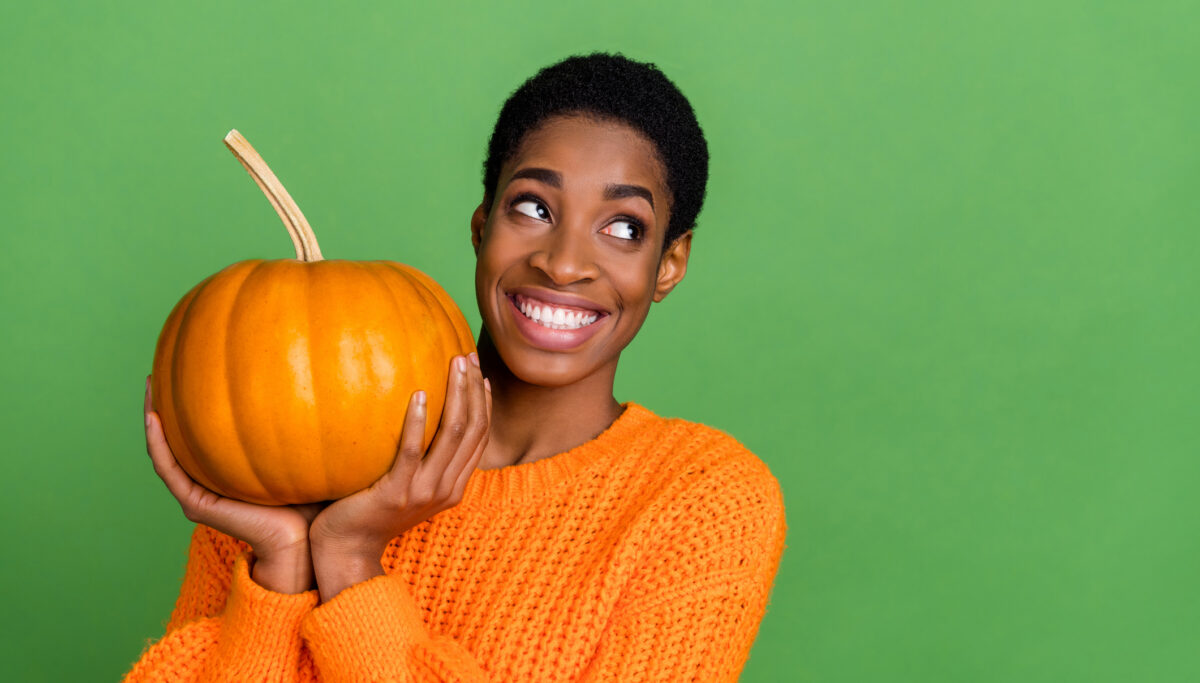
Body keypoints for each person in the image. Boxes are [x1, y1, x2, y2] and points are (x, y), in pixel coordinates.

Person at [125, 52, 787, 682]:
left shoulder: (702, 502)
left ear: (669, 264)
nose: (561, 262)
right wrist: (281, 562)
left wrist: (352, 563)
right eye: (533, 207)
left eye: (622, 228)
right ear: (482, 225)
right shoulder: (290, 439)